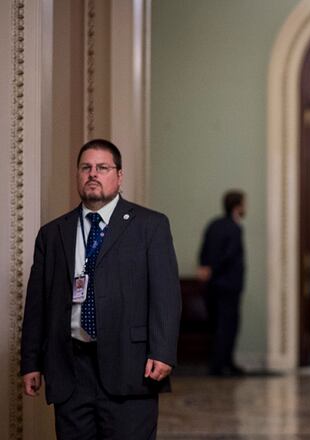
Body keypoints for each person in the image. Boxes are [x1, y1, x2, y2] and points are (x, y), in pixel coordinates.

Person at [20, 139, 182, 439]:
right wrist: (31, 362)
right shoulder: (53, 234)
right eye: (86, 168)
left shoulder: (150, 226)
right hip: (70, 370)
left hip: (131, 369)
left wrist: (163, 351)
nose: (93, 174)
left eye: (102, 168)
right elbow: (37, 304)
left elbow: (166, 296)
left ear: (119, 176)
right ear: (78, 175)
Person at [197, 190, 246, 376]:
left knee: (217, 325)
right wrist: (213, 268)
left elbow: (204, 248)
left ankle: (223, 363)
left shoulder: (214, 225)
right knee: (227, 326)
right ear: (237, 206)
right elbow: (228, 256)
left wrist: (205, 267)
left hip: (213, 286)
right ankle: (221, 365)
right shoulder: (234, 228)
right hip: (229, 285)